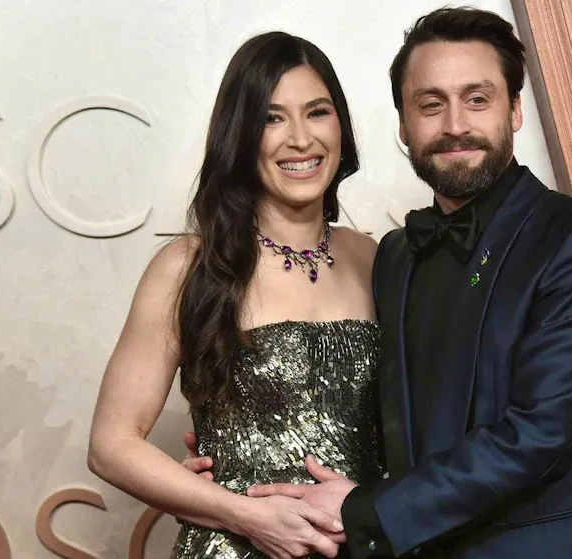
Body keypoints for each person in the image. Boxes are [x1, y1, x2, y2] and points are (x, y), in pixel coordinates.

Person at [185, 7, 572, 559]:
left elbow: (541, 432)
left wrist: (363, 512)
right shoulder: (394, 255)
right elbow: (361, 403)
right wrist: (239, 441)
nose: (454, 126)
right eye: (430, 105)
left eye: (478, 99)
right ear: (402, 123)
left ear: (515, 110)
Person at [87, 31, 384, 559]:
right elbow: (111, 445)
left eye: (317, 112)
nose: (300, 139)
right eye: (272, 118)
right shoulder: (187, 267)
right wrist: (243, 513)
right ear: (240, 134)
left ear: (341, 127)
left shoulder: (381, 259)